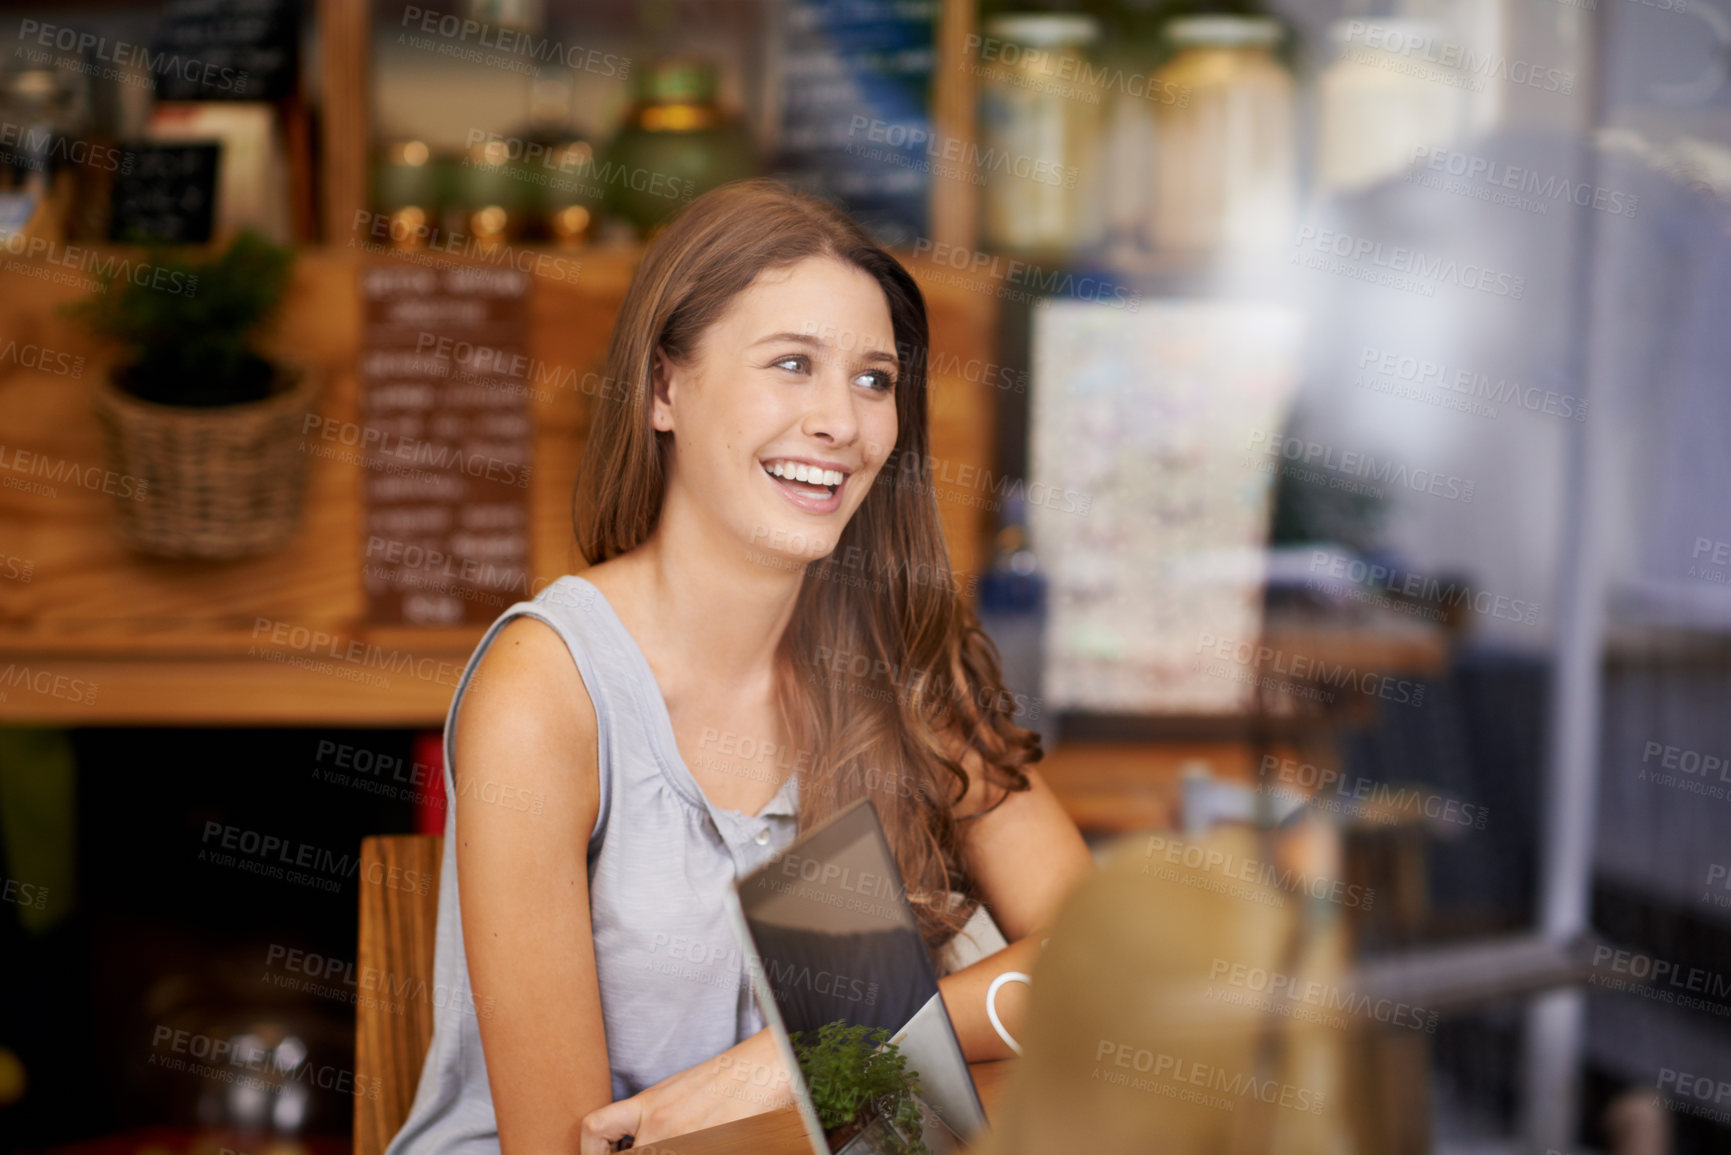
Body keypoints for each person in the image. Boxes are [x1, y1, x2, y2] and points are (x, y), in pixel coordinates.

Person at [384, 178, 1095, 1155]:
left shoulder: (900, 663)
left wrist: (788, 1064)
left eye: (874, 379)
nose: (841, 422)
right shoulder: (545, 691)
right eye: (792, 364)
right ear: (664, 388)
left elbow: (1102, 969)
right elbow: (572, 1147)